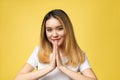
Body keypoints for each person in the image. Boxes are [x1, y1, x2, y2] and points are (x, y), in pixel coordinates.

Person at [15, 9, 97, 80]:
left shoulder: (78, 54)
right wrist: (50, 68)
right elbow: (18, 78)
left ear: (67, 29)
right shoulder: (39, 51)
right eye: (49, 30)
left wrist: (62, 68)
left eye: (60, 29)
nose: (54, 35)